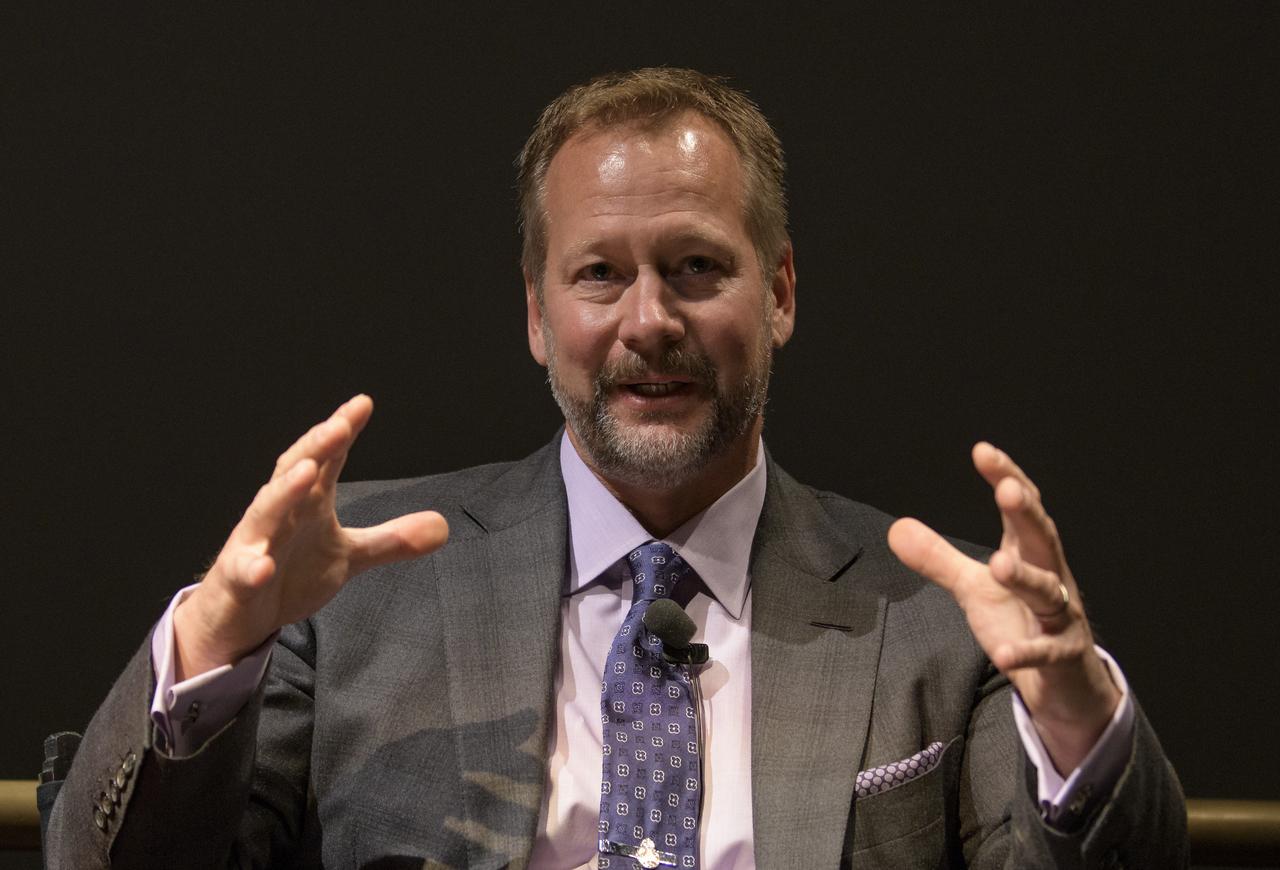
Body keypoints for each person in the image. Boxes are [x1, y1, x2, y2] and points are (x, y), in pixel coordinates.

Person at [48, 68, 1186, 868]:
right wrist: (208, 654)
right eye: (599, 275)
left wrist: (1080, 724)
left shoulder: (941, 629)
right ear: (537, 314)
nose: (650, 320)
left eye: (696, 266)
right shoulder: (344, 594)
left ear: (779, 291)